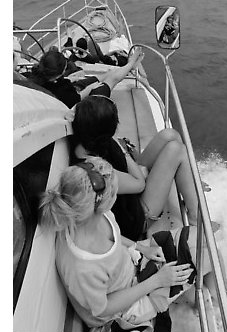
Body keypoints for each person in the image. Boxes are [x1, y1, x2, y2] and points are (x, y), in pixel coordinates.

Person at [39, 156, 227, 332]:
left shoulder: (90, 216)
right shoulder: (82, 266)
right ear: (102, 201)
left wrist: (142, 248)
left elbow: (114, 237)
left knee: (204, 241)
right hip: (125, 307)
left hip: (132, 266)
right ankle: (213, 296)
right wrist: (157, 281)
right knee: (203, 253)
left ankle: (215, 285)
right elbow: (102, 310)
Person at [72, 95, 218, 241]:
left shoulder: (88, 140)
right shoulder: (97, 171)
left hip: (129, 189)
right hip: (137, 214)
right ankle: (195, 218)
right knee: (177, 150)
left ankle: (188, 182)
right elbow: (139, 184)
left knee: (170, 135)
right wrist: (124, 152)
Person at [28, 47, 143, 109]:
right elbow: (78, 98)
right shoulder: (64, 92)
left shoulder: (35, 78)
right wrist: (91, 87)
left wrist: (70, 79)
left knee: (103, 75)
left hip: (69, 87)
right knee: (110, 80)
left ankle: (128, 67)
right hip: (77, 102)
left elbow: (55, 84)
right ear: (62, 70)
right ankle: (130, 64)